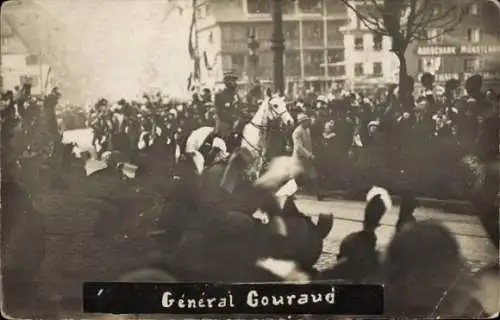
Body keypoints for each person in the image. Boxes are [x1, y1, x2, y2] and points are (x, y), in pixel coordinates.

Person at [292, 113, 322, 201]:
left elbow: (309, 144)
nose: (308, 122)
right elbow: (298, 147)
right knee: (295, 177)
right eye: (306, 121)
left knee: (313, 175)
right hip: (299, 158)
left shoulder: (307, 130)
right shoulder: (297, 132)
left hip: (307, 157)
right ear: (301, 122)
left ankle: (318, 193)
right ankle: (289, 194)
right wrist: (309, 155)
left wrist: (310, 154)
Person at [214, 71, 241, 144]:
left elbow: (240, 108)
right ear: (227, 81)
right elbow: (220, 112)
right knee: (225, 135)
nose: (235, 83)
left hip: (237, 121)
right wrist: (234, 118)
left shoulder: (237, 95)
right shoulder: (220, 95)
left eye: (235, 80)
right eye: (232, 80)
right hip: (225, 122)